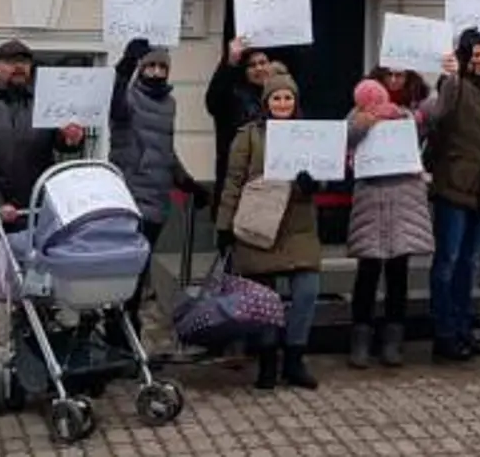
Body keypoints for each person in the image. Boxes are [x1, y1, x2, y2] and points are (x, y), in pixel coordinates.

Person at [0, 40, 87, 397]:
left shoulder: (44, 106)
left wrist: (72, 138)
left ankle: (36, 361)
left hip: (34, 212)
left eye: (25, 62)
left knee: (37, 289)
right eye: (11, 61)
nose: (19, 68)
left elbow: (63, 145)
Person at [214, 74, 322, 390]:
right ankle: (267, 362)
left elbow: (326, 171)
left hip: (299, 225)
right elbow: (233, 181)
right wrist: (224, 225)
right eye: (277, 98)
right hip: (259, 224)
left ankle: (294, 358)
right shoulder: (248, 136)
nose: (283, 103)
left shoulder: (311, 134)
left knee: (307, 291)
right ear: (266, 103)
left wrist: (314, 183)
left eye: (288, 98)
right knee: (266, 299)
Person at [107, 39, 208, 341]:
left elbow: (165, 149)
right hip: (130, 195)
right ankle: (119, 338)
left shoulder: (169, 104)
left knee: (139, 275)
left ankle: (127, 339)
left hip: (158, 198)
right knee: (124, 275)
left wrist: (185, 180)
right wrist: (124, 66)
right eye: (150, 65)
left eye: (162, 66)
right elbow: (115, 106)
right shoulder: (129, 96)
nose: (156, 71)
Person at [421, 33, 480, 363]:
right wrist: (447, 77)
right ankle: (443, 333)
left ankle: (461, 328)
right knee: (448, 262)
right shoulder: (455, 85)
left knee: (468, 266)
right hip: (454, 187)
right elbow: (436, 117)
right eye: (477, 55)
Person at [343, 76, 433, 369]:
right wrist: (362, 124)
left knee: (398, 274)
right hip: (370, 203)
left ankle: (393, 340)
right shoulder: (354, 119)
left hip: (402, 202)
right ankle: (361, 338)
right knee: (367, 273)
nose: (374, 105)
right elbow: (342, 142)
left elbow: (427, 120)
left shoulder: (403, 116)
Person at [204, 37, 274, 212]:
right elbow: (213, 101)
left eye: (263, 62)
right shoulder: (232, 95)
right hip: (237, 188)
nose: (259, 68)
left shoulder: (282, 97)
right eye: (252, 65)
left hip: (271, 189)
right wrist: (229, 62)